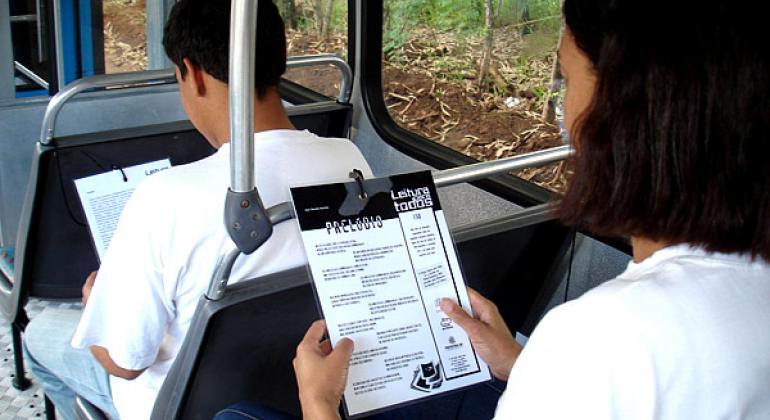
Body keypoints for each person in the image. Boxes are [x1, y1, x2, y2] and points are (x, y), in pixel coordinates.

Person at [290, 0, 770, 419]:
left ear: (619, 112)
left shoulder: (605, 335)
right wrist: (520, 364)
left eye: (567, 79)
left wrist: (318, 404)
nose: (563, 111)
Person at [23, 0, 373, 419]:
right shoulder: (348, 161)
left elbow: (126, 363)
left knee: (40, 334)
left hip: (178, 407)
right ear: (277, 62)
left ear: (193, 74)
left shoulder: (163, 197)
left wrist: (97, 305)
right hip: (303, 390)